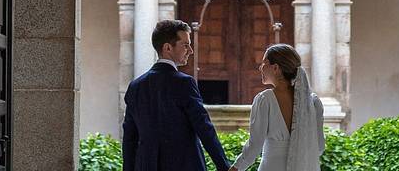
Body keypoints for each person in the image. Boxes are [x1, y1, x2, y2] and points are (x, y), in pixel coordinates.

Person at [122, 19, 232, 171]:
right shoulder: (184, 83)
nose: (191, 50)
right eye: (186, 45)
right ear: (168, 47)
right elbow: (204, 128)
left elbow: (129, 139)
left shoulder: (135, 86)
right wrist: (224, 166)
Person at [230, 44, 325, 171]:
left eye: (264, 63)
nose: (260, 68)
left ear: (275, 68)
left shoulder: (265, 99)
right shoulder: (313, 102)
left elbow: (254, 147)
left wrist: (235, 168)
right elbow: (319, 146)